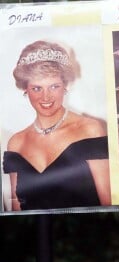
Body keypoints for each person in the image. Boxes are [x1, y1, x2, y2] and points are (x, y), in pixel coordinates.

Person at [3, 40, 111, 210]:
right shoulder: (17, 143)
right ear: (25, 89)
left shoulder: (89, 130)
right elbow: (18, 212)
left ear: (65, 86)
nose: (46, 97)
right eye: (37, 88)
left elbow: (109, 204)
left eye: (54, 86)